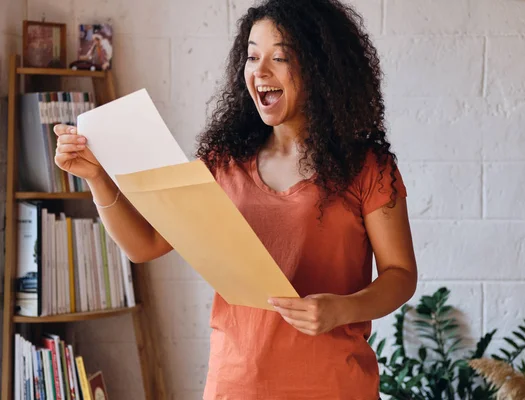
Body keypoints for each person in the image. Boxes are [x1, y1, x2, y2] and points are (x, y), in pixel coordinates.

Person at [53, 0, 418, 398]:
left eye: (280, 57)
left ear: (321, 67)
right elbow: (145, 245)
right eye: (252, 57)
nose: (260, 72)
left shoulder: (367, 167)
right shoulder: (223, 163)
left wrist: (343, 309)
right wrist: (98, 178)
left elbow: (400, 274)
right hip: (235, 386)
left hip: (333, 386)